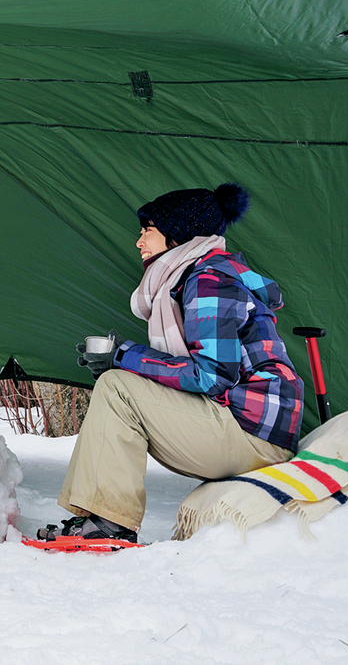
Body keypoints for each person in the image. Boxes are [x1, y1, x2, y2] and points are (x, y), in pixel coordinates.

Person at [50, 183, 304, 544]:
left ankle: (109, 524)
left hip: (252, 436)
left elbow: (212, 375)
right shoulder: (196, 276)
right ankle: (99, 516)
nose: (139, 242)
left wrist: (123, 356)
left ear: (178, 234)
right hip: (245, 428)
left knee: (117, 388)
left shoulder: (209, 280)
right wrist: (123, 361)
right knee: (121, 383)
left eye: (147, 232)